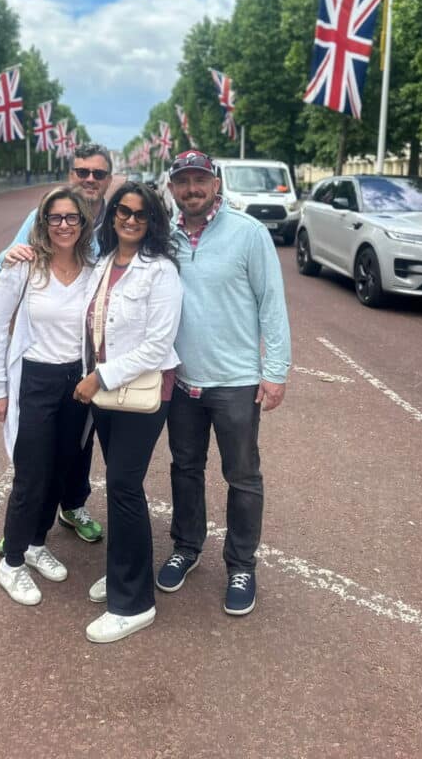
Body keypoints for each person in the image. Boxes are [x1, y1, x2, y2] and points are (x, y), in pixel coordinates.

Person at [156, 150, 291, 617]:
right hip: (182, 378)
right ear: (172, 188)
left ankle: (240, 564)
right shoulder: (164, 236)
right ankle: (187, 546)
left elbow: (271, 304)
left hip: (235, 381)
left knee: (242, 476)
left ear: (215, 183)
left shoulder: (248, 233)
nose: (191, 189)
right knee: (185, 468)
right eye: (183, 181)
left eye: (200, 180)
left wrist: (275, 372)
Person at [73, 182, 183, 643]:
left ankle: (133, 602)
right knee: (120, 486)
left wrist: (100, 376)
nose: (131, 219)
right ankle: (123, 569)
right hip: (106, 395)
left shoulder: (161, 272)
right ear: (112, 214)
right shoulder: (101, 264)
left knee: (122, 486)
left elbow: (159, 345)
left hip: (141, 392)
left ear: (152, 219)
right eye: (123, 211)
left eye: (140, 213)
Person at [0, 142, 113, 544]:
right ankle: (22, 532)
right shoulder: (43, 215)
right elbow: (10, 262)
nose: (90, 179)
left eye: (98, 173)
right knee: (36, 455)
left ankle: (72, 506)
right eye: (82, 172)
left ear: (108, 179)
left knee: (79, 444)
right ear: (71, 175)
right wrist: (12, 255)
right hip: (45, 358)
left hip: (90, 361)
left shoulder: (115, 220)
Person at [0, 186, 95, 606]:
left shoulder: (92, 269)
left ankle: (34, 543)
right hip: (35, 379)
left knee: (61, 469)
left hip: (78, 385)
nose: (63, 225)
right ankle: (11, 562)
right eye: (55, 218)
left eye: (72, 218)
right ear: (42, 223)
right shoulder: (24, 267)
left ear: (83, 223)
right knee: (30, 474)